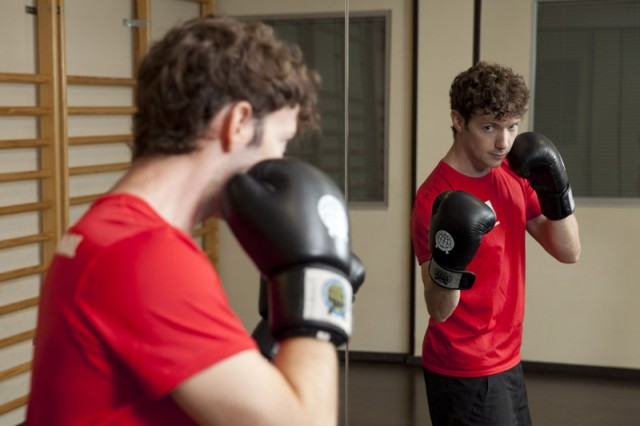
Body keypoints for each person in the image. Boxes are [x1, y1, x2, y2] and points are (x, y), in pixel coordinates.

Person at [26, 16, 364, 425]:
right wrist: (317, 282)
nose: (281, 162)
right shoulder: (145, 257)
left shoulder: (107, 232)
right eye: (281, 140)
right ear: (238, 123)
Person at [410, 61, 581, 425]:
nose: (503, 142)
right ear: (458, 121)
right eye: (489, 128)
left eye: (512, 127)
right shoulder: (434, 198)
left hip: (508, 359)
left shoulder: (512, 173)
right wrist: (450, 259)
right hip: (463, 368)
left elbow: (568, 252)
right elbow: (439, 310)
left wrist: (557, 190)